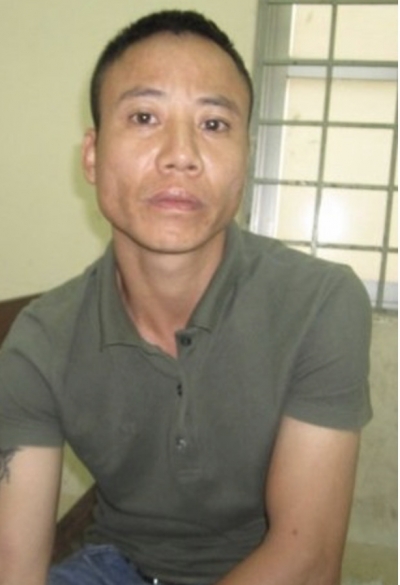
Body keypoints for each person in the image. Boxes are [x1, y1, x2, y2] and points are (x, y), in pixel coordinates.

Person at [0, 9, 372, 585]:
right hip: (114, 567)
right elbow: (14, 566)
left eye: (214, 124)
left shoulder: (321, 303)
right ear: (92, 156)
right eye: (144, 117)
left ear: (245, 159)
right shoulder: (40, 341)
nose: (181, 153)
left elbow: (307, 559)